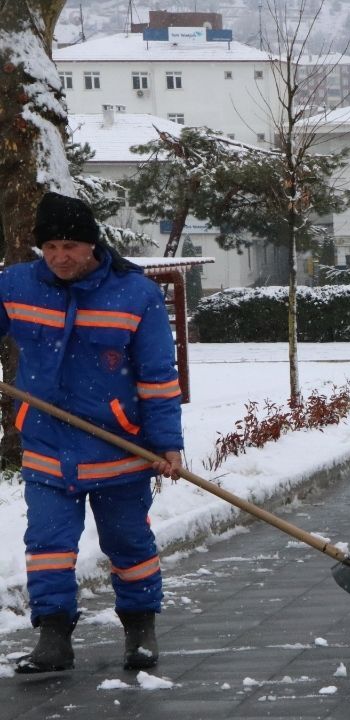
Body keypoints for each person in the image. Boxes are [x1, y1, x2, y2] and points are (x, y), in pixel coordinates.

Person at [1, 192, 184, 674]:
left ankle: (140, 628)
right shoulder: (16, 285)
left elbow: (158, 377)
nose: (61, 257)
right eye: (51, 247)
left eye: (71, 246)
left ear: (91, 245)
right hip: (46, 446)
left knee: (128, 545)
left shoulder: (135, 293)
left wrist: (167, 444)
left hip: (118, 448)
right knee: (47, 543)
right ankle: (53, 637)